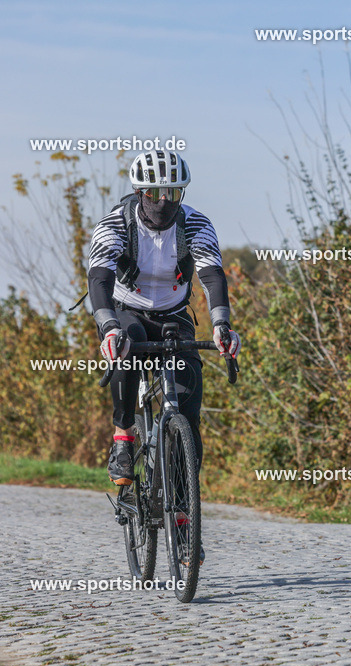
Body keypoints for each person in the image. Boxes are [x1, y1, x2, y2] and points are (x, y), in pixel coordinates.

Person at [88, 151, 240, 515]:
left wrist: (222, 325)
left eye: (172, 194)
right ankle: (124, 438)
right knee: (127, 345)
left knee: (188, 415)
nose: (163, 202)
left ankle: (183, 511)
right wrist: (109, 327)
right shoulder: (115, 224)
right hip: (127, 312)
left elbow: (212, 276)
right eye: (155, 193)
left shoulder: (196, 224)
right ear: (140, 192)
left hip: (174, 314)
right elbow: (99, 279)